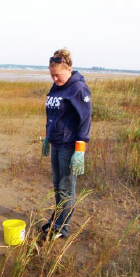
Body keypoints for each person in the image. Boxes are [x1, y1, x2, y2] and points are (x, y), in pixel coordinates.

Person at [41, 48, 92, 239]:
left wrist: (80, 150)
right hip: (56, 143)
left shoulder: (78, 89)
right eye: (52, 75)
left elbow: (85, 121)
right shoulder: (56, 87)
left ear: (68, 69)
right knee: (57, 186)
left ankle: (62, 229)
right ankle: (56, 220)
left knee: (66, 188)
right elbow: (52, 114)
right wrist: (47, 136)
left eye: (58, 75)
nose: (54, 79)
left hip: (69, 146)